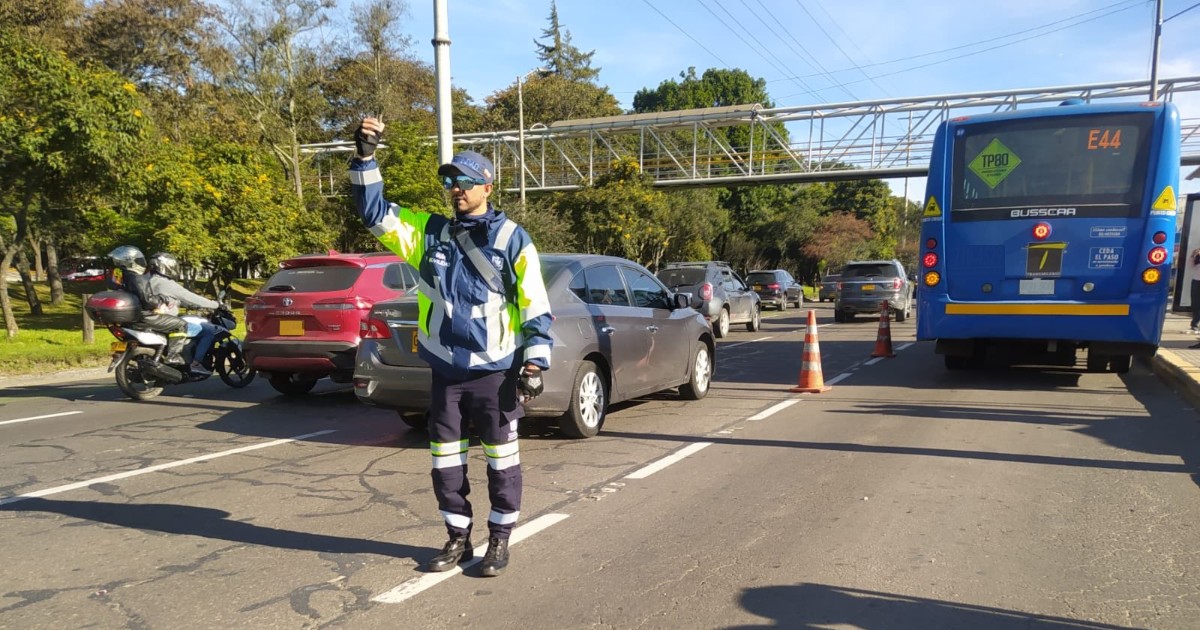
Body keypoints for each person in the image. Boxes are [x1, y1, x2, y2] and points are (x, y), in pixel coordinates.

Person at [348, 117, 552, 577]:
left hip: (496, 373)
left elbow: (535, 304)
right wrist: (365, 158)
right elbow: (375, 212)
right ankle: (458, 537)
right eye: (449, 181)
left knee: (503, 463)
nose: (455, 188)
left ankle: (499, 540)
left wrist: (535, 363)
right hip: (445, 373)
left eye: (464, 181)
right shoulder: (428, 232)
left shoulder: (512, 239)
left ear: (487, 187)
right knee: (445, 463)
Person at [107, 246, 189, 362]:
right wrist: (160, 301)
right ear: (132, 261)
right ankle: (173, 356)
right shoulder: (135, 277)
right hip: (144, 316)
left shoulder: (117, 276)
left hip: (130, 317)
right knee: (181, 324)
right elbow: (146, 300)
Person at [146, 252, 221, 374]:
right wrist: (215, 305)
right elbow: (191, 297)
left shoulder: (147, 282)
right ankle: (195, 363)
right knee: (208, 331)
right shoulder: (167, 284)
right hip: (166, 321)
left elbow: (174, 300)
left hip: (149, 320)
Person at [1191, 247, 1200, 333]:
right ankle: (1195, 323)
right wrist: (1194, 256)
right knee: (1196, 303)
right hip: (1196, 281)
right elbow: (1190, 265)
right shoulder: (1196, 254)